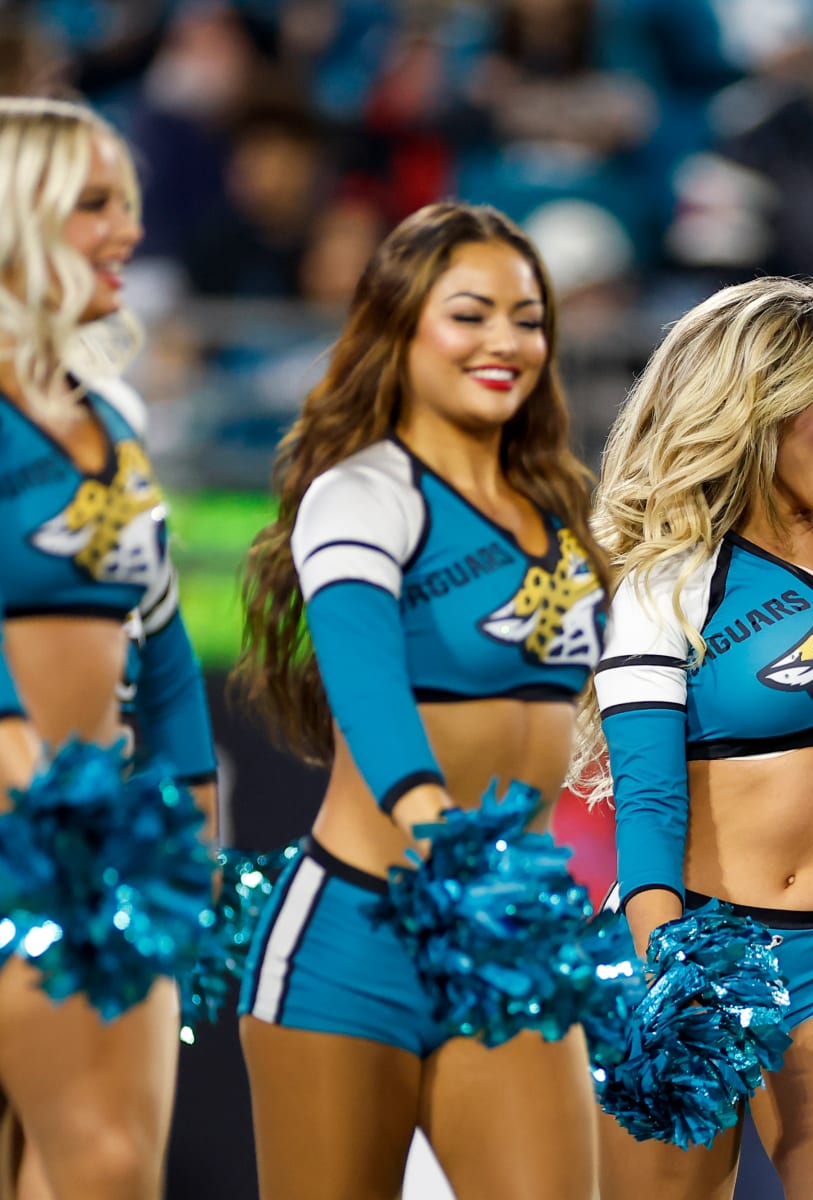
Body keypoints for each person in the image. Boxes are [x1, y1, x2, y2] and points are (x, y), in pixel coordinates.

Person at [234, 199, 610, 1200]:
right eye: (471, 313)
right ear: (400, 327)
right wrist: (431, 818)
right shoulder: (363, 494)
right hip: (356, 935)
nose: (506, 342)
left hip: (504, 937)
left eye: (528, 319)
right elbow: (366, 683)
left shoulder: (557, 512)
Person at [574, 275, 813, 1199]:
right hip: (689, 941)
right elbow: (652, 800)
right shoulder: (670, 580)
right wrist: (669, 979)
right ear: (757, 405)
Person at [0, 97, 217, 1199]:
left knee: (103, 1167)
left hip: (93, 851)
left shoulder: (114, 417)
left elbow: (162, 628)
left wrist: (188, 793)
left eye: (126, 203)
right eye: (92, 205)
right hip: (25, 828)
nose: (126, 231)